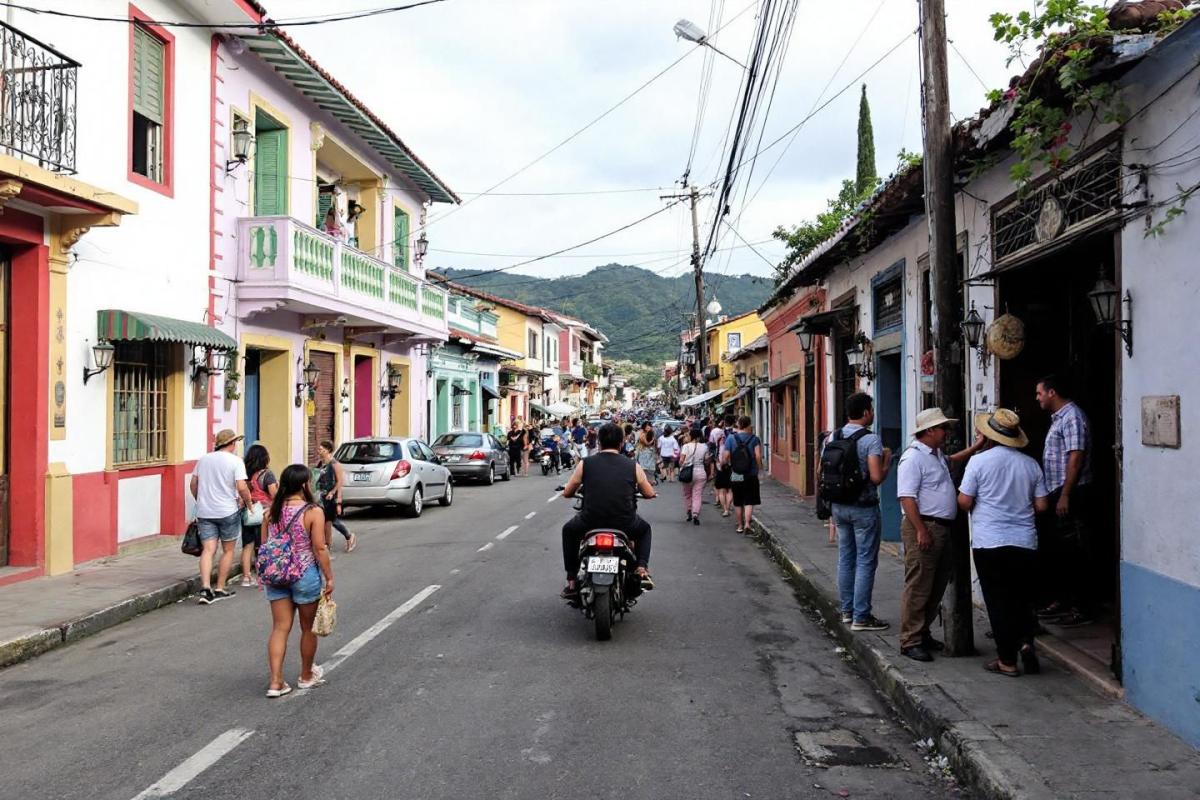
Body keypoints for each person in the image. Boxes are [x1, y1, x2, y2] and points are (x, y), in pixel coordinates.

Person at [958, 409, 1051, 678]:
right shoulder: (1030, 464)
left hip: (990, 543)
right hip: (1024, 542)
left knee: (998, 602)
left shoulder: (978, 462)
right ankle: (1025, 643)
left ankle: (1007, 661)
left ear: (990, 435)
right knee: (1022, 599)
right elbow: (1042, 505)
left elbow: (964, 501)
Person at [895, 409, 984, 662]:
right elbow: (906, 497)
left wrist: (975, 447)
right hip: (925, 526)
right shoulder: (913, 458)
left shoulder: (935, 456)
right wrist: (921, 530)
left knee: (936, 583)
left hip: (940, 526)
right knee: (920, 585)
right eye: (943, 428)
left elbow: (952, 461)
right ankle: (910, 640)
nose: (946, 432)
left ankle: (921, 632)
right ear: (930, 430)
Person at [262, 464, 335, 698]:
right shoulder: (312, 511)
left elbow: (265, 546)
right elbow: (320, 547)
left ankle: (275, 683)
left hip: (277, 576)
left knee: (280, 628)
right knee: (307, 628)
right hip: (305, 575)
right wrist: (329, 577)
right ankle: (305, 676)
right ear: (304, 485)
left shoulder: (270, 511)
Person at [561, 422, 657, 596]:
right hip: (625, 522)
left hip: (590, 521)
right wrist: (650, 493)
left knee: (568, 530)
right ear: (621, 443)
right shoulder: (632, 465)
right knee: (644, 530)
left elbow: (568, 491)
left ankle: (572, 579)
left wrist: (569, 492)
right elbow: (649, 493)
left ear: (599, 442)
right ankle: (641, 569)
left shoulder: (585, 464)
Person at [825, 392, 893, 632]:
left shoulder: (833, 436)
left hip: (839, 507)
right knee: (865, 561)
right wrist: (887, 462)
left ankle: (847, 611)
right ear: (865, 413)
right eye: (871, 410)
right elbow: (875, 477)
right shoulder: (870, 440)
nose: (873, 413)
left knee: (846, 558)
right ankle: (861, 616)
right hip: (863, 508)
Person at [1035, 375, 1094, 627]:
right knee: (1059, 550)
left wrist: (1065, 494)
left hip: (1070, 492)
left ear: (1052, 392)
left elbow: (1076, 457)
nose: (1036, 398)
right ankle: (1063, 600)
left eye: (1039, 393)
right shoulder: (1059, 418)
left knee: (1074, 550)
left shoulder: (1072, 417)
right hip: (1056, 490)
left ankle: (1081, 607)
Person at [191, 429, 253, 605]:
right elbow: (241, 487)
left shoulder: (204, 459)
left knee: (208, 550)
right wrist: (248, 504)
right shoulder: (236, 461)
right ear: (232, 443)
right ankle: (219, 587)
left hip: (205, 512)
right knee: (228, 550)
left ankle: (204, 587)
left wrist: (200, 500)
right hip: (227, 511)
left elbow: (193, 483)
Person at [240, 443, 278, 588]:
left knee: (247, 545)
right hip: (264, 514)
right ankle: (263, 573)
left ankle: (246, 577)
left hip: (249, 513)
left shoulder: (246, 475)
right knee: (263, 544)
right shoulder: (267, 475)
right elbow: (274, 494)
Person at [722, 416, 763, 534]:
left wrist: (726, 464)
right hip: (751, 474)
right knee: (749, 500)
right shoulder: (754, 439)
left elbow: (725, 457)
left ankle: (739, 525)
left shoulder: (730, 438)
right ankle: (747, 524)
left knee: (738, 500)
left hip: (736, 473)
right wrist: (759, 468)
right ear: (749, 425)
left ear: (739, 424)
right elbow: (758, 456)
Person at [315, 441, 357, 552]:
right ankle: (328, 545)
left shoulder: (335, 464)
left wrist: (336, 497)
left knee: (330, 521)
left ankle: (347, 536)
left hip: (331, 497)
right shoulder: (320, 464)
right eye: (319, 449)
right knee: (326, 522)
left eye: (321, 449)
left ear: (328, 450)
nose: (318, 451)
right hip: (322, 496)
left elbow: (339, 482)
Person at [679, 425, 709, 525]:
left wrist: (682, 466)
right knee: (697, 494)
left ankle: (689, 510)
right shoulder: (704, 447)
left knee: (687, 494)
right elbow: (707, 460)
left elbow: (681, 461)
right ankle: (695, 513)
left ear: (691, 436)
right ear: (700, 436)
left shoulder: (686, 446)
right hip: (700, 472)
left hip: (687, 472)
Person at [710, 415, 734, 516]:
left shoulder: (717, 433)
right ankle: (728, 507)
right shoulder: (735, 434)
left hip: (720, 464)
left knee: (721, 489)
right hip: (734, 465)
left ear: (724, 422)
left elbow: (711, 445)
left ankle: (725, 510)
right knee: (731, 489)